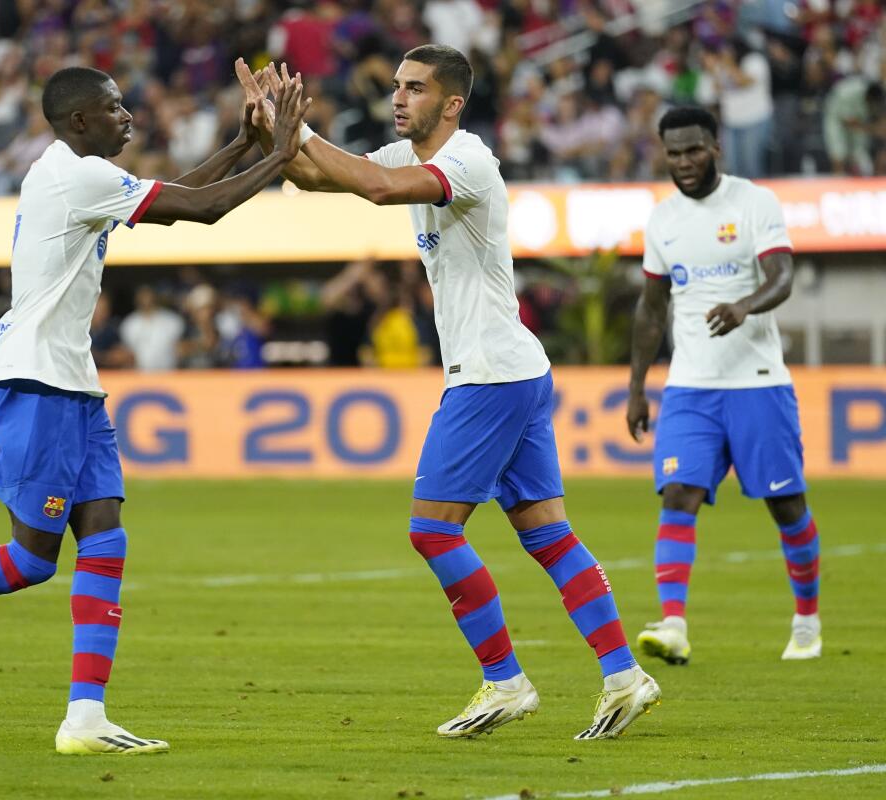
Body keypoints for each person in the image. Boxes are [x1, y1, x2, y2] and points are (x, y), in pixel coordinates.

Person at [0, 66, 309, 755]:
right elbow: (199, 211)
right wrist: (281, 155)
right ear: (80, 121)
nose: (129, 116)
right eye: (114, 108)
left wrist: (242, 143)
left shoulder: (74, 172)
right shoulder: (73, 177)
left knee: (106, 536)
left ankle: (86, 716)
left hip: (73, 382)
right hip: (40, 381)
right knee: (32, 560)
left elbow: (183, 192)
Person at [239, 48, 660, 741]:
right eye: (396, 85)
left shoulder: (467, 161)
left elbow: (373, 187)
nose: (398, 98)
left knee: (433, 529)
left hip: (490, 373)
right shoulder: (409, 153)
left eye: (415, 88)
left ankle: (505, 681)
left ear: (453, 103)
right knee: (548, 535)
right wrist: (270, 126)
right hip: (515, 368)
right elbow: (315, 177)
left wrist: (300, 129)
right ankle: (624, 675)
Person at [627, 106, 822, 665]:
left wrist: (744, 305)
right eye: (674, 152)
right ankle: (673, 624)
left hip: (758, 383)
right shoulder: (662, 220)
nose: (684, 162)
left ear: (717, 148)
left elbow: (782, 276)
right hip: (690, 386)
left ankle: (806, 617)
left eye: (694, 150)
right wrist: (638, 385)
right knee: (677, 493)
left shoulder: (753, 203)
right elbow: (651, 307)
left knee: (787, 506)